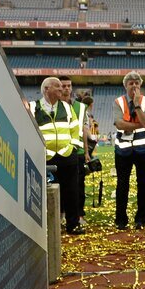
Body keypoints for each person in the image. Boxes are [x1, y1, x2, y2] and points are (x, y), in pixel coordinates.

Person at [29, 77, 84, 235]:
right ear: (47, 89)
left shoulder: (66, 107)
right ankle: (49, 225)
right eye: (58, 87)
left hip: (67, 155)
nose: (62, 89)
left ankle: (72, 224)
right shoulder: (34, 107)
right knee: (45, 193)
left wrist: (73, 146)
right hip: (46, 157)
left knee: (72, 191)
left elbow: (75, 129)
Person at [113, 71, 145, 230]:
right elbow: (120, 124)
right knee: (122, 185)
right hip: (123, 150)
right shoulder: (118, 102)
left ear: (141, 85)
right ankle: (121, 220)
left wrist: (137, 105)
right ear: (125, 86)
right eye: (131, 83)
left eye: (137, 83)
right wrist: (143, 124)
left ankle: (141, 219)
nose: (134, 86)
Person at [58, 76, 86, 223]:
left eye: (69, 85)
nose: (66, 88)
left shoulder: (80, 107)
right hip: (58, 151)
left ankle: (79, 215)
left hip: (77, 151)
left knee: (78, 186)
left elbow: (84, 130)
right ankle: (61, 213)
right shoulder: (54, 106)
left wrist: (87, 152)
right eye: (63, 86)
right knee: (60, 185)